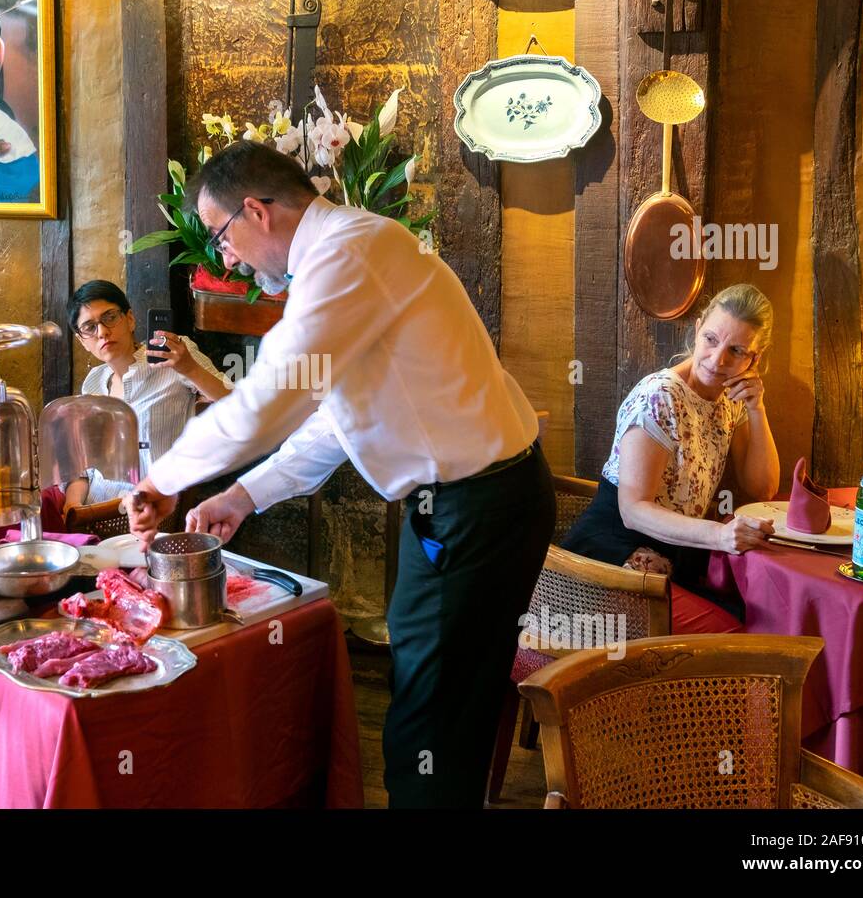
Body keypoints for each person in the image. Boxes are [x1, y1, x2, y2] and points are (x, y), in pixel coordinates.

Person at [121, 140, 554, 808]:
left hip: (475, 508)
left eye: (220, 235)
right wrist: (244, 493)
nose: (224, 257)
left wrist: (163, 479)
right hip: (470, 503)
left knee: (433, 716)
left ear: (256, 211)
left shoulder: (349, 254)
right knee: (437, 703)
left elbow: (271, 397)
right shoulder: (351, 252)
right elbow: (333, 421)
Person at [561, 284, 781, 632]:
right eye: (711, 339)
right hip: (612, 558)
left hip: (675, 558)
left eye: (736, 350)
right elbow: (633, 510)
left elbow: (763, 487)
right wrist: (720, 536)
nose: (718, 359)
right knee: (735, 636)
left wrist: (757, 409)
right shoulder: (660, 395)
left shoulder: (731, 399)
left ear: (754, 358)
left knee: (761, 617)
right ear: (698, 328)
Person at [63, 280, 230, 507]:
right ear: (82, 341)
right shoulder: (93, 384)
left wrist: (189, 368)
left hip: (149, 509)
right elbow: (84, 467)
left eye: (110, 317)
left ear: (130, 319)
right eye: (89, 327)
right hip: (93, 510)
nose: (102, 332)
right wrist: (72, 510)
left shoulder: (174, 358)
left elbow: (237, 404)